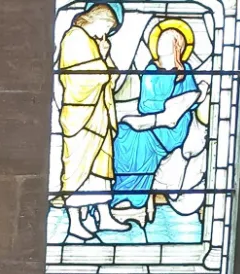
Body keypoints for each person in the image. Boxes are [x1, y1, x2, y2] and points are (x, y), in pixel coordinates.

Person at [110, 18, 205, 229]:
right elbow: (145, 103)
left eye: (167, 40)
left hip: (172, 129)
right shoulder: (150, 69)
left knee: (139, 137)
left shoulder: (184, 72)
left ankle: (135, 200)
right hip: (151, 121)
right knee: (124, 133)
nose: (161, 43)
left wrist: (157, 112)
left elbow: (181, 106)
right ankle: (122, 195)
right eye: (159, 39)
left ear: (177, 47)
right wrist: (154, 111)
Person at [54, 1, 129, 239]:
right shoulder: (74, 37)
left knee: (100, 167)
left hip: (100, 115)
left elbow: (109, 76)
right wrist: (103, 61)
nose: (106, 34)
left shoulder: (95, 42)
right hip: (81, 116)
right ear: (95, 18)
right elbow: (77, 79)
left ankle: (104, 215)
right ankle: (75, 222)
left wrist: (105, 60)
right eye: (107, 27)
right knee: (79, 168)